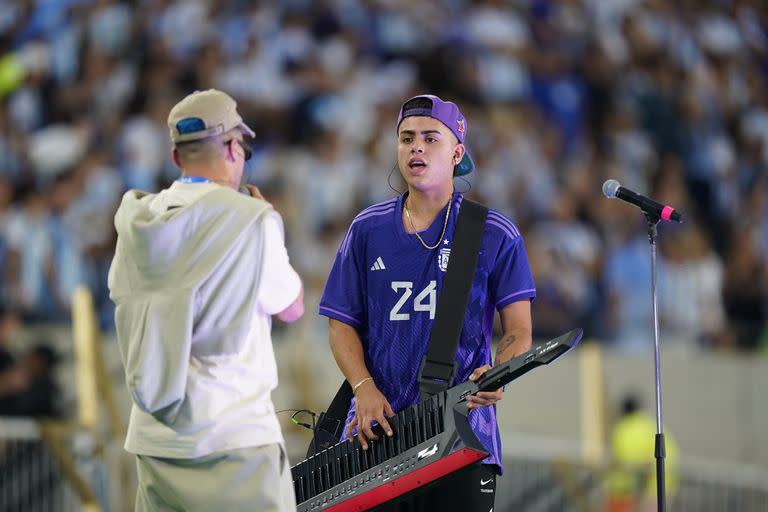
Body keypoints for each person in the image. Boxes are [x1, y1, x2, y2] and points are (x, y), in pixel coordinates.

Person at [319, 94, 536, 511]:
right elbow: (340, 322)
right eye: (406, 138)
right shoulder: (367, 229)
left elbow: (519, 329)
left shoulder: (494, 233)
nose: (416, 146)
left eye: (430, 138)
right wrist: (363, 389)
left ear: (457, 153)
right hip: (377, 434)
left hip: (463, 438)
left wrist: (500, 373)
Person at [108, 89, 304, 512]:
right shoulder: (252, 218)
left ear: (178, 159)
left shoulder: (137, 221)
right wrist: (271, 222)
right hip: (235, 438)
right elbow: (291, 306)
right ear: (234, 147)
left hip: (157, 438)